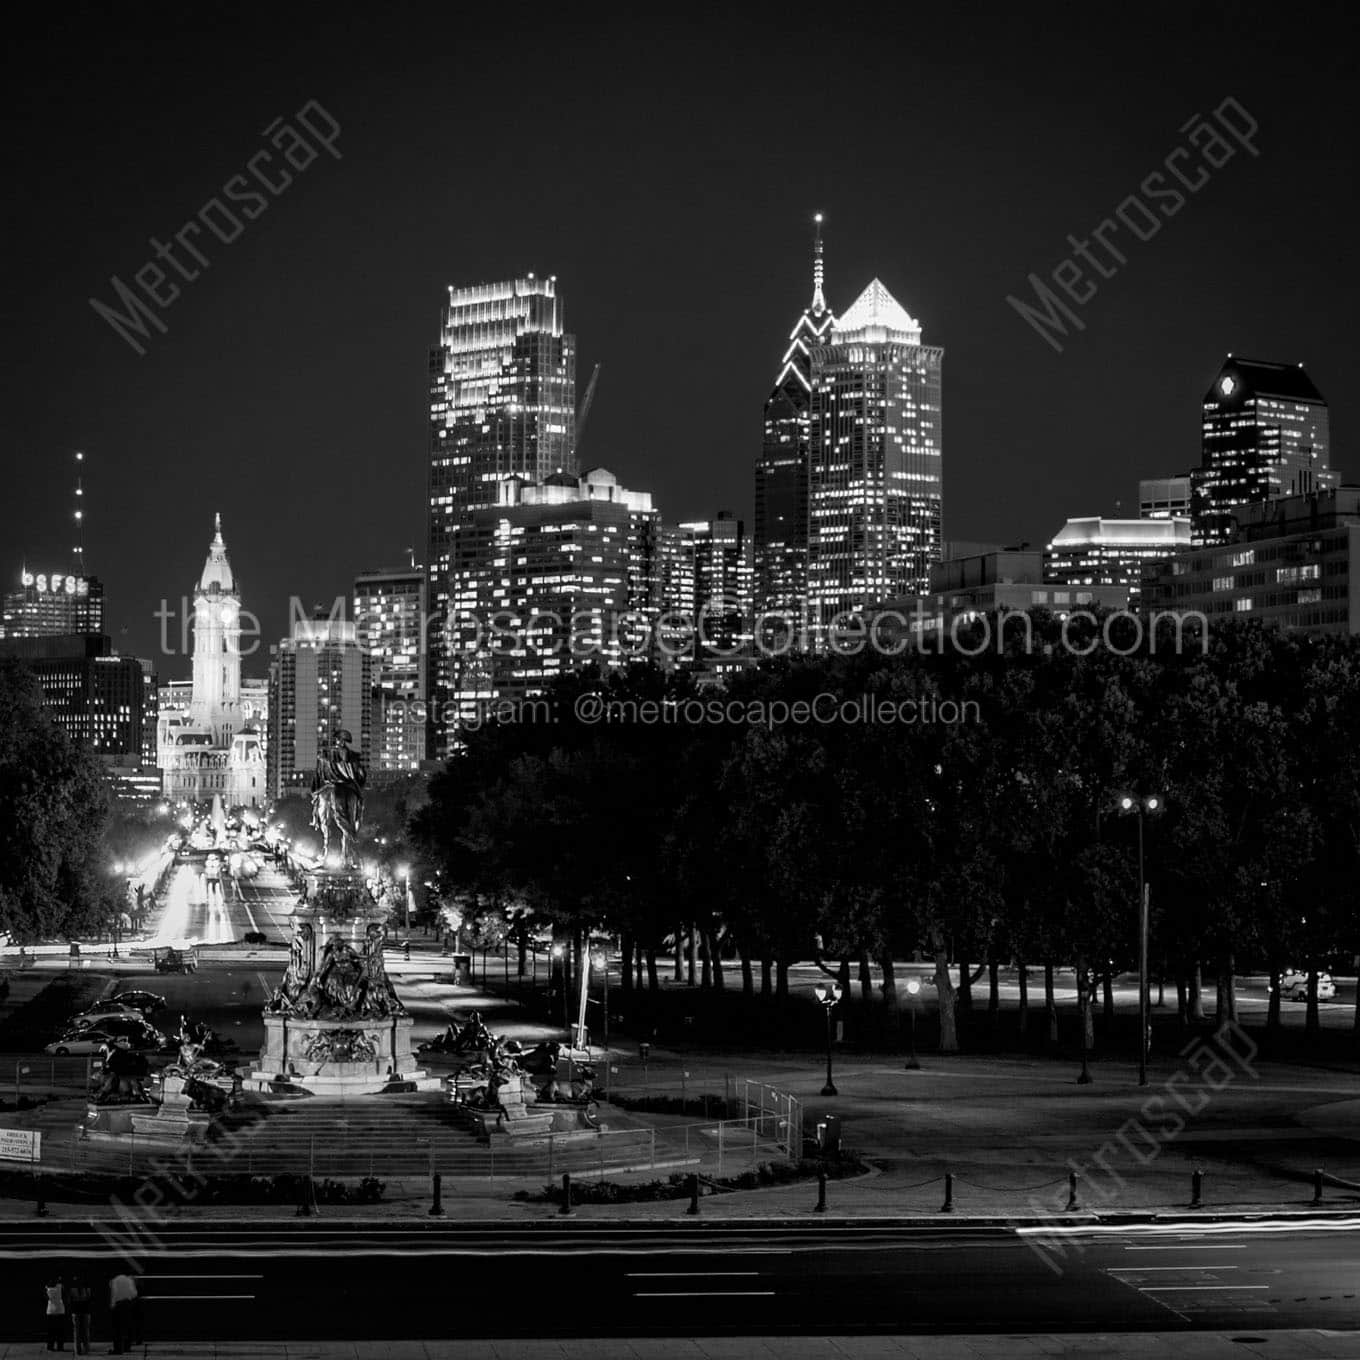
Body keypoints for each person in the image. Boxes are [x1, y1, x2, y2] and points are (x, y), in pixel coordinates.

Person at [108, 1273, 137, 1354]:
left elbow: (114, 1293)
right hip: (128, 1304)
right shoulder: (129, 1280)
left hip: (118, 1305)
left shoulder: (114, 1280)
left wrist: (112, 1304)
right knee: (127, 1326)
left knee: (117, 1328)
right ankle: (127, 1347)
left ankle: (118, 1349)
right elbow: (134, 1294)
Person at [67, 1274, 92, 1354]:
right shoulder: (87, 1289)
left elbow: (69, 1301)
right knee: (86, 1331)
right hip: (86, 1311)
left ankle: (78, 1350)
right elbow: (90, 1299)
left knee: (76, 1332)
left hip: (76, 1311)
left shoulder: (72, 1290)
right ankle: (86, 1349)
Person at [44, 1275, 65, 1350]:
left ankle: (50, 1346)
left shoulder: (47, 1289)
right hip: (60, 1310)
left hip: (50, 1311)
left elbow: (46, 1298)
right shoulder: (60, 1287)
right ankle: (60, 1346)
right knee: (60, 1331)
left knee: (50, 1331)